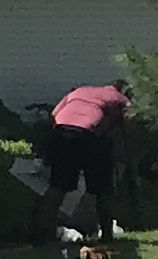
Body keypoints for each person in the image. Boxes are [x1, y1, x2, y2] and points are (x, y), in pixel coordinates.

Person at [42, 82, 132, 223]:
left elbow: (53, 114)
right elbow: (129, 128)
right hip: (88, 135)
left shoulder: (79, 91)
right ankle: (106, 232)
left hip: (61, 132)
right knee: (103, 190)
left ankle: (40, 232)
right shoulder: (121, 98)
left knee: (57, 187)